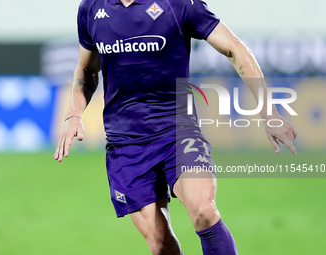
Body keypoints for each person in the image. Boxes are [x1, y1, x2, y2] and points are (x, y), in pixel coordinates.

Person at [54, 0, 298, 254]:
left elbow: (235, 49)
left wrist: (269, 113)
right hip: (125, 144)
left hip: (178, 131)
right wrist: (73, 114)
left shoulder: (180, 4)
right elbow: (87, 68)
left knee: (204, 211)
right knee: (160, 245)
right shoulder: (91, 9)